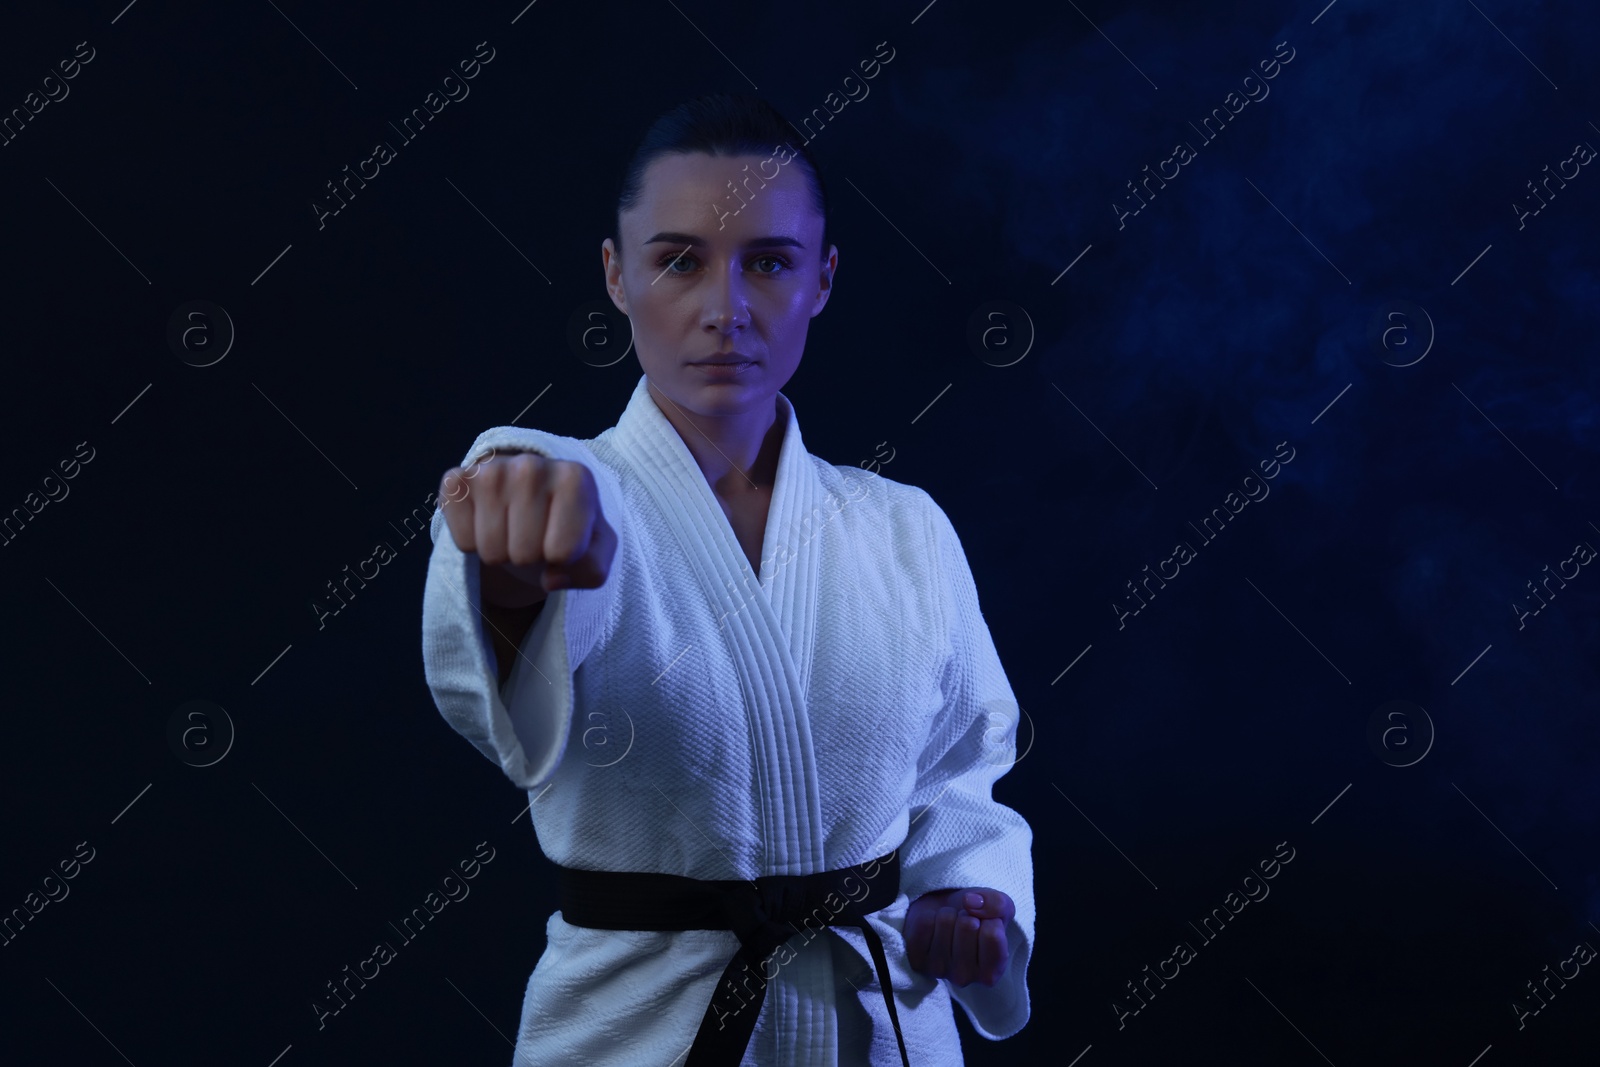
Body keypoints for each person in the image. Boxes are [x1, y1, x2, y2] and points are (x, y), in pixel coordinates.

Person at [421, 92, 1034, 1067]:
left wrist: (973, 896)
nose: (724, 307)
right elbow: (502, 690)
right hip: (637, 1035)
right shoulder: (567, 490)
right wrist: (508, 576)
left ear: (822, 278)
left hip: (878, 1029)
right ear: (616, 275)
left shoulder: (905, 527)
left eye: (769, 261)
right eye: (678, 259)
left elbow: (959, 780)